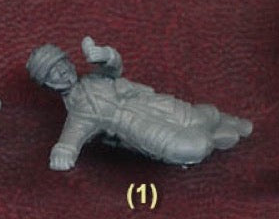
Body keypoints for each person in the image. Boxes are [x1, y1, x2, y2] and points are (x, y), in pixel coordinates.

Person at [27, 37, 252, 170]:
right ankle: (214, 139)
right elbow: (71, 136)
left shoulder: (94, 78)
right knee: (188, 147)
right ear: (48, 83)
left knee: (200, 115)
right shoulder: (79, 112)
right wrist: (63, 152)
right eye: (53, 72)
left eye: (62, 63)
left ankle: (224, 123)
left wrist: (106, 55)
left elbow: (114, 69)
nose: (63, 71)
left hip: (151, 102)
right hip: (136, 126)